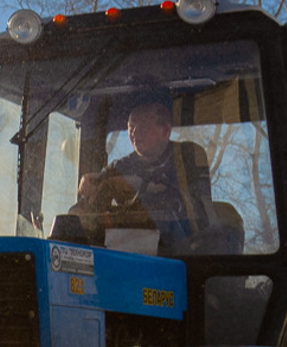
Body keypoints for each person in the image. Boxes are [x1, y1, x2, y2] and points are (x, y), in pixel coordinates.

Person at [74, 94, 223, 255]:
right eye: (131, 128)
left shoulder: (187, 157)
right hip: (127, 252)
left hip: (184, 253)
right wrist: (90, 184)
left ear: (165, 130)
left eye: (143, 127)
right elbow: (90, 201)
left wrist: (137, 184)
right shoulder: (120, 166)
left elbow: (193, 207)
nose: (134, 133)